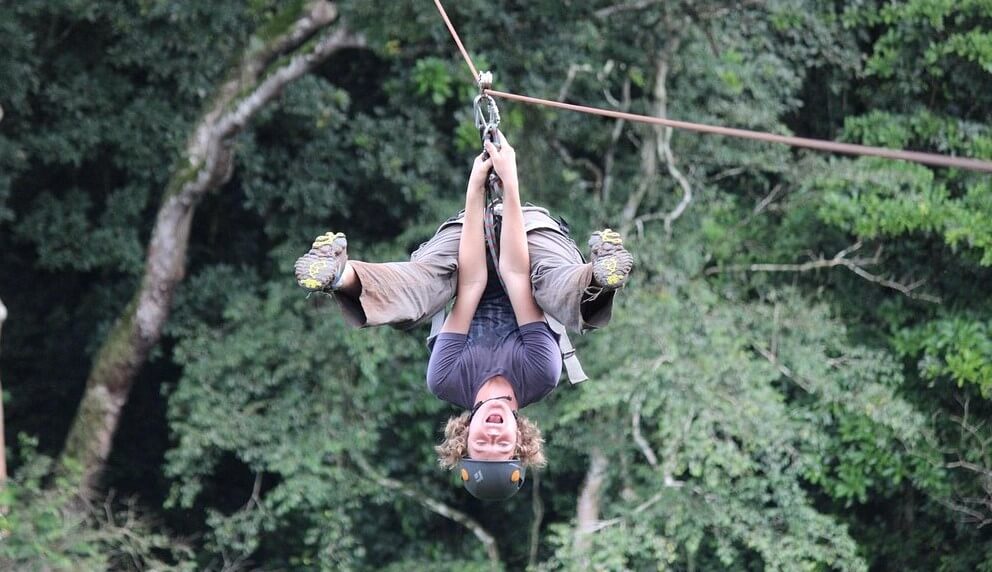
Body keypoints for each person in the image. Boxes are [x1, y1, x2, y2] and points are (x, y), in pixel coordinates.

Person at [294, 131, 633, 499]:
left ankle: (339, 274)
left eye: (482, 446)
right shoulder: (540, 375)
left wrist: (475, 189)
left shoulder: (447, 380)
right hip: (535, 243)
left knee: (422, 290)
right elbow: (516, 274)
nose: (492, 436)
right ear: (519, 439)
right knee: (550, 287)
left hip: (463, 246)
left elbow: (471, 282)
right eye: (501, 447)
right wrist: (510, 183)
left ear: (464, 437)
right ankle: (600, 277)